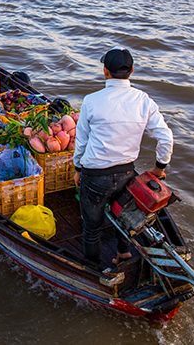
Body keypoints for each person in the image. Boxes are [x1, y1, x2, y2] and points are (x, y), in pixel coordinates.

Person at [72, 48, 173, 270]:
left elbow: (81, 142)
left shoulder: (91, 101)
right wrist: (159, 167)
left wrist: (77, 168)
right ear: (132, 70)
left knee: (92, 226)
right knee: (124, 217)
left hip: (95, 176)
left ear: (105, 71)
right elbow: (166, 136)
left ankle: (93, 268)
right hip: (127, 173)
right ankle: (124, 253)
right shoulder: (143, 100)